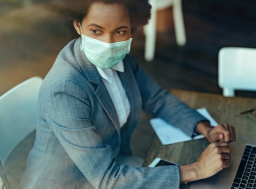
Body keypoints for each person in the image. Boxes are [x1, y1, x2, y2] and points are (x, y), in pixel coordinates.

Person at [19, 0, 236, 188]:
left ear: (132, 27)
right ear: (78, 25)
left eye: (120, 31)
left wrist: (205, 129)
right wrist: (197, 169)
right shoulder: (65, 89)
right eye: (96, 31)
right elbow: (108, 181)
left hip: (112, 166)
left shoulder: (120, 59)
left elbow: (157, 99)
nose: (109, 43)